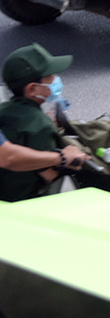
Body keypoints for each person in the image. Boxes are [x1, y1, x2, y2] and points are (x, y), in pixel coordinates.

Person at [0, 44, 91, 203]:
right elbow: (49, 174)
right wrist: (66, 158)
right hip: (22, 200)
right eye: (50, 76)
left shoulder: (5, 109)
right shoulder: (40, 125)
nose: (56, 79)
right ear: (32, 89)